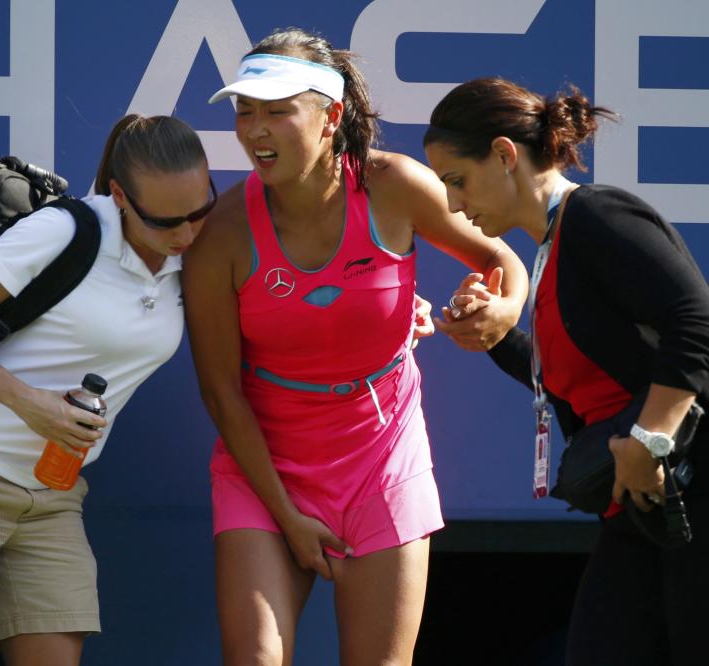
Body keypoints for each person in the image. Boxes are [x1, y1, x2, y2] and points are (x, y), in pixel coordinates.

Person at [183, 28, 528, 665]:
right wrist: (287, 516)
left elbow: (499, 255)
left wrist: (503, 309)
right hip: (265, 469)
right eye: (245, 111)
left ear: (331, 115)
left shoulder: (394, 184)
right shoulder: (221, 236)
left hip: (383, 458)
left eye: (279, 111)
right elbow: (220, 391)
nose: (256, 130)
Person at [0, 114, 215, 666]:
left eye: (201, 210)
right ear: (122, 197)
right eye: (166, 220)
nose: (187, 234)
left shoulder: (194, 253)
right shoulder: (64, 231)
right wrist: (27, 403)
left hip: (53, 498)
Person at [424, 77, 709, 665]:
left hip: (684, 486)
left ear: (505, 155)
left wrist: (648, 440)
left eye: (457, 180)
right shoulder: (555, 243)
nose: (453, 204)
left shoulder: (596, 215)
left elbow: (696, 321)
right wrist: (498, 338)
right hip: (641, 504)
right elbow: (585, 380)